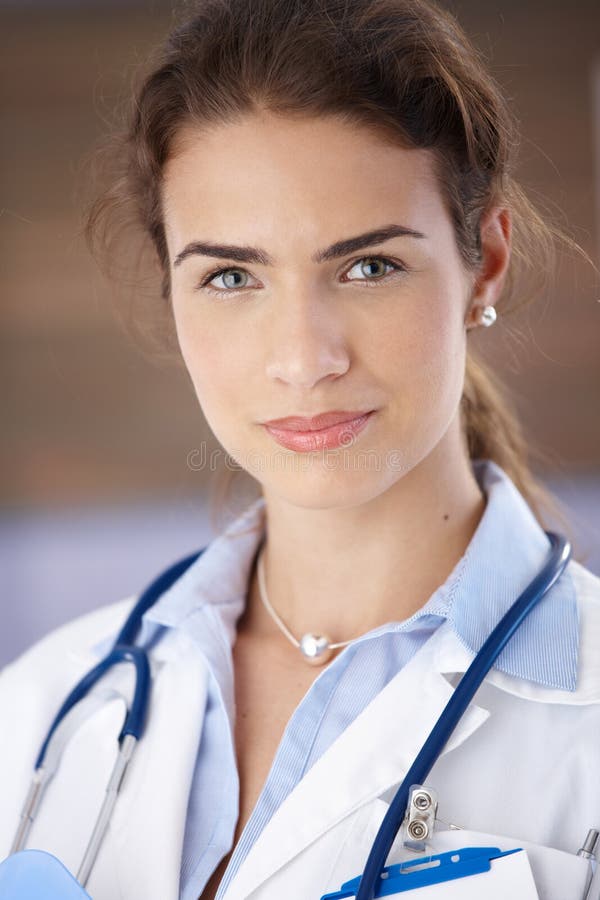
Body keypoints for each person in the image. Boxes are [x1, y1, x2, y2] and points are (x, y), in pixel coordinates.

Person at [0, 0, 598, 898]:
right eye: (231, 277)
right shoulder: (41, 707)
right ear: (171, 293)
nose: (303, 360)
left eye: (368, 266)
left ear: (487, 262)